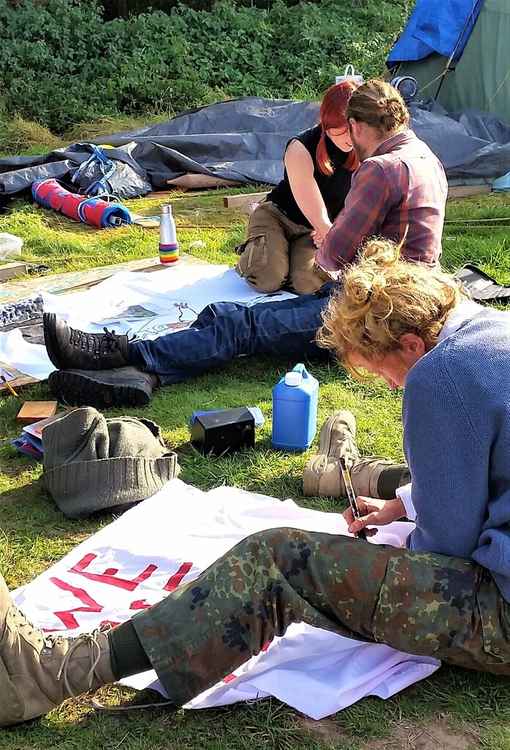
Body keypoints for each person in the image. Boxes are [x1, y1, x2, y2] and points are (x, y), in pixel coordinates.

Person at [4, 238, 510, 729]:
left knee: (277, 560)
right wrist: (407, 503)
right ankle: (348, 474)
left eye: (388, 376)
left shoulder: (442, 374)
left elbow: (447, 548)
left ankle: (56, 673)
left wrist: (406, 543)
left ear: (411, 345)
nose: (394, 387)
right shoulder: (492, 333)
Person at [42, 79, 447, 410]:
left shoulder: (380, 168)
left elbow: (334, 254)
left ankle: (121, 354)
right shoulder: (424, 156)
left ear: (358, 126)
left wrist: (325, 257)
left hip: (382, 314)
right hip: (403, 298)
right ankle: (145, 371)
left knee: (242, 324)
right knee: (227, 313)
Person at [235, 81, 357, 295]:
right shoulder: (300, 148)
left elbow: (358, 202)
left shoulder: (365, 149)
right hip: (279, 217)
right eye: (341, 129)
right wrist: (328, 231)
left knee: (310, 284)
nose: (348, 137)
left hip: (314, 231)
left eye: (353, 128)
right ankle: (257, 246)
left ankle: (284, 255)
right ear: (326, 120)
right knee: (267, 279)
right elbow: (315, 209)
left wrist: (333, 229)